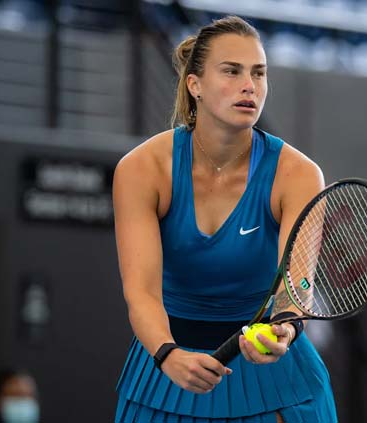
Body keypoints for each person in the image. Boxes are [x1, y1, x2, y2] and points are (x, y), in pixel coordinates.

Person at [112, 15, 337, 423]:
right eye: (232, 71)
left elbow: (295, 287)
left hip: (279, 385)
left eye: (259, 73)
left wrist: (283, 330)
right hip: (165, 371)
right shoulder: (141, 169)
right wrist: (168, 353)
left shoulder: (300, 175)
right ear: (194, 85)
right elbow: (141, 292)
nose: (249, 85)